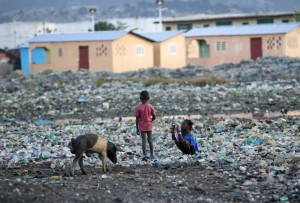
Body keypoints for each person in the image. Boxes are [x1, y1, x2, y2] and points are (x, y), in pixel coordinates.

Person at [134, 91, 156, 161]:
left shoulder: (138, 108)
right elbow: (154, 116)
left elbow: (137, 119)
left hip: (142, 125)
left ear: (140, 98)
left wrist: (137, 128)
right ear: (149, 98)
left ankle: (144, 155)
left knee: (144, 140)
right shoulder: (151, 107)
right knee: (150, 140)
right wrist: (151, 120)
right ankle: (152, 154)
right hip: (149, 125)